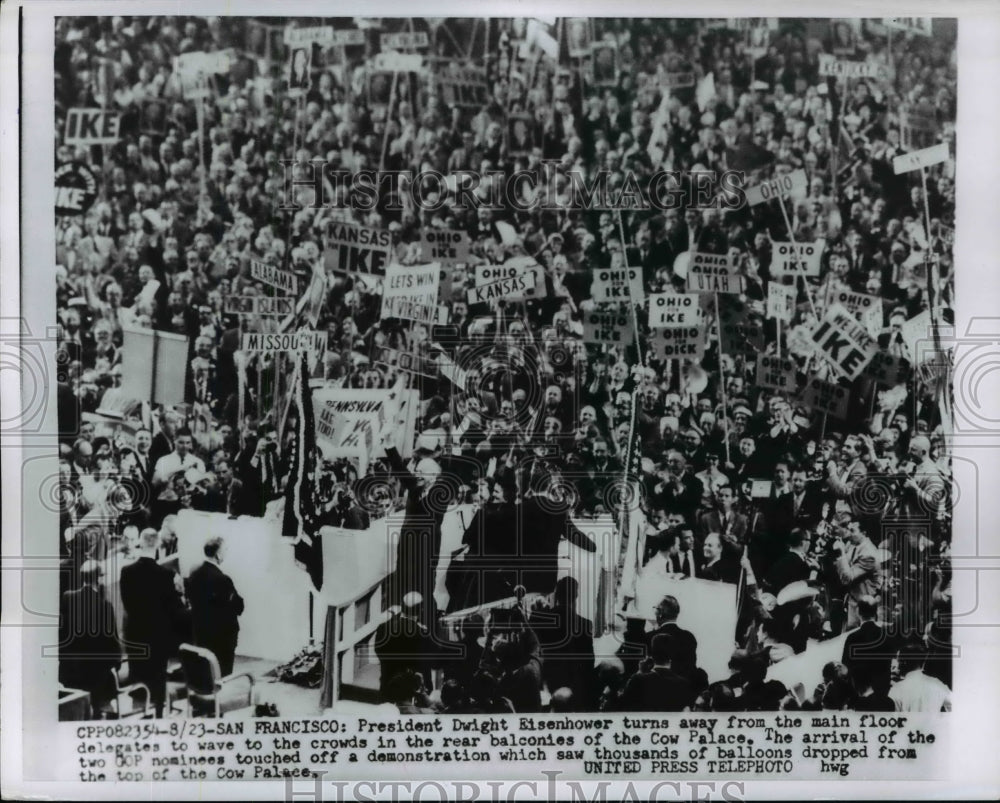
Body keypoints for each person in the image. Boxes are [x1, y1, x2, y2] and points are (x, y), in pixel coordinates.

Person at [120, 529, 188, 717]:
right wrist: (180, 595)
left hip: (134, 634)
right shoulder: (166, 575)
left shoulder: (126, 572)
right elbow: (173, 610)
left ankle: (139, 713)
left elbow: (128, 604)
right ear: (158, 545)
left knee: (139, 679)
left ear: (140, 543)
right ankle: (158, 714)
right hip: (158, 637)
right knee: (158, 680)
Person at [59, 560, 120, 715]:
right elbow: (113, 646)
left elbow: (62, 635)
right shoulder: (105, 606)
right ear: (98, 579)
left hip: (69, 673)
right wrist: (117, 664)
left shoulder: (67, 598)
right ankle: (101, 711)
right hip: (94, 677)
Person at [186, 536, 244, 676]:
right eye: (225, 550)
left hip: (201, 633)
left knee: (205, 673)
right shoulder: (222, 579)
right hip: (223, 638)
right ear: (218, 554)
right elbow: (239, 607)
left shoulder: (194, 575)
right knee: (222, 675)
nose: (226, 552)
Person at [618, 634, 694, 712]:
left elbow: (621, 704)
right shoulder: (684, 684)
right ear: (672, 655)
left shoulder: (638, 680)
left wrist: (639, 672)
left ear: (652, 655)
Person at [889, 641, 952, 712]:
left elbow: (893, 719)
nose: (894, 664)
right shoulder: (937, 684)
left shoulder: (896, 689)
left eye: (897, 660)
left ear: (903, 662)